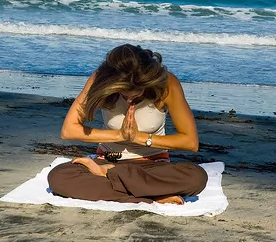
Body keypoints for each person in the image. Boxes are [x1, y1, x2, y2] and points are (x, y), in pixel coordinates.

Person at [48, 44, 207, 205]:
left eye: (137, 93)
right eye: (124, 93)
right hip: (107, 161)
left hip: (152, 167)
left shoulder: (167, 84)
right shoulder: (100, 80)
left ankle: (117, 181)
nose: (130, 100)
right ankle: (150, 196)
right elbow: (69, 130)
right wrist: (119, 135)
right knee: (59, 177)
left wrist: (140, 138)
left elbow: (190, 142)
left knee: (196, 177)